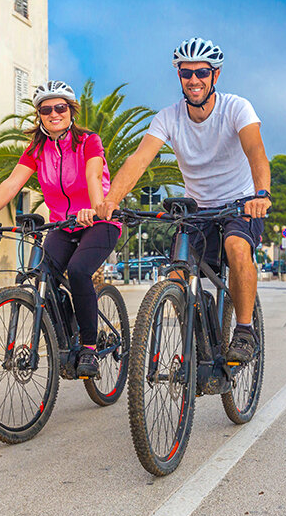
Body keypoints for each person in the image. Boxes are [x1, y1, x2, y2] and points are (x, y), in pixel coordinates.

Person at [96, 37, 271, 364]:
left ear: (214, 76)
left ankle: (245, 330)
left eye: (201, 73)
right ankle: (202, 334)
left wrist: (261, 194)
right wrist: (110, 200)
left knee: (236, 247)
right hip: (198, 210)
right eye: (186, 73)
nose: (194, 80)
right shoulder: (168, 117)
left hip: (240, 204)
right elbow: (138, 160)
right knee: (175, 277)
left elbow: (256, 153)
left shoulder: (236, 108)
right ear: (179, 76)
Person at [0, 80, 120, 378]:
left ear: (71, 111)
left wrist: (95, 206)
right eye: (46, 109)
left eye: (60, 107)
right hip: (62, 224)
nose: (54, 114)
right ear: (39, 115)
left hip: (98, 222)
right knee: (42, 275)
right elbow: (12, 184)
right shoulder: (37, 149)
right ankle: (67, 337)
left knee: (77, 271)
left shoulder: (89, 141)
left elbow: (93, 173)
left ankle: (89, 347)